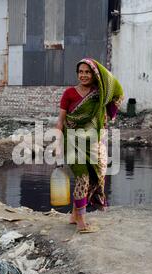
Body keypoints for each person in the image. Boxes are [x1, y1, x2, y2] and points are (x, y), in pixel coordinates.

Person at [55, 58, 124, 232]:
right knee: (82, 178)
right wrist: (57, 145)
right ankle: (82, 222)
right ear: (77, 74)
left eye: (88, 72)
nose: (84, 75)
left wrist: (112, 109)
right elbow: (60, 121)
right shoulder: (69, 93)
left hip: (93, 143)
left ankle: (73, 215)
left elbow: (117, 92)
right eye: (81, 72)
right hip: (72, 141)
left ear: (94, 75)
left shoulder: (98, 94)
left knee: (94, 178)